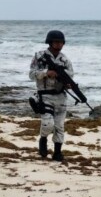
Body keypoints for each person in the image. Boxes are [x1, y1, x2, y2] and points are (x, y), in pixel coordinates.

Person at [29, 30, 74, 161]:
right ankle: (43, 139)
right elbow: (31, 74)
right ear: (50, 42)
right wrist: (46, 73)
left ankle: (57, 152)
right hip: (44, 96)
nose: (59, 44)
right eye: (56, 42)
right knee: (48, 124)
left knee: (59, 126)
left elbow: (70, 76)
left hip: (60, 97)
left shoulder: (65, 60)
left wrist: (68, 84)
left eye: (61, 42)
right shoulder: (39, 56)